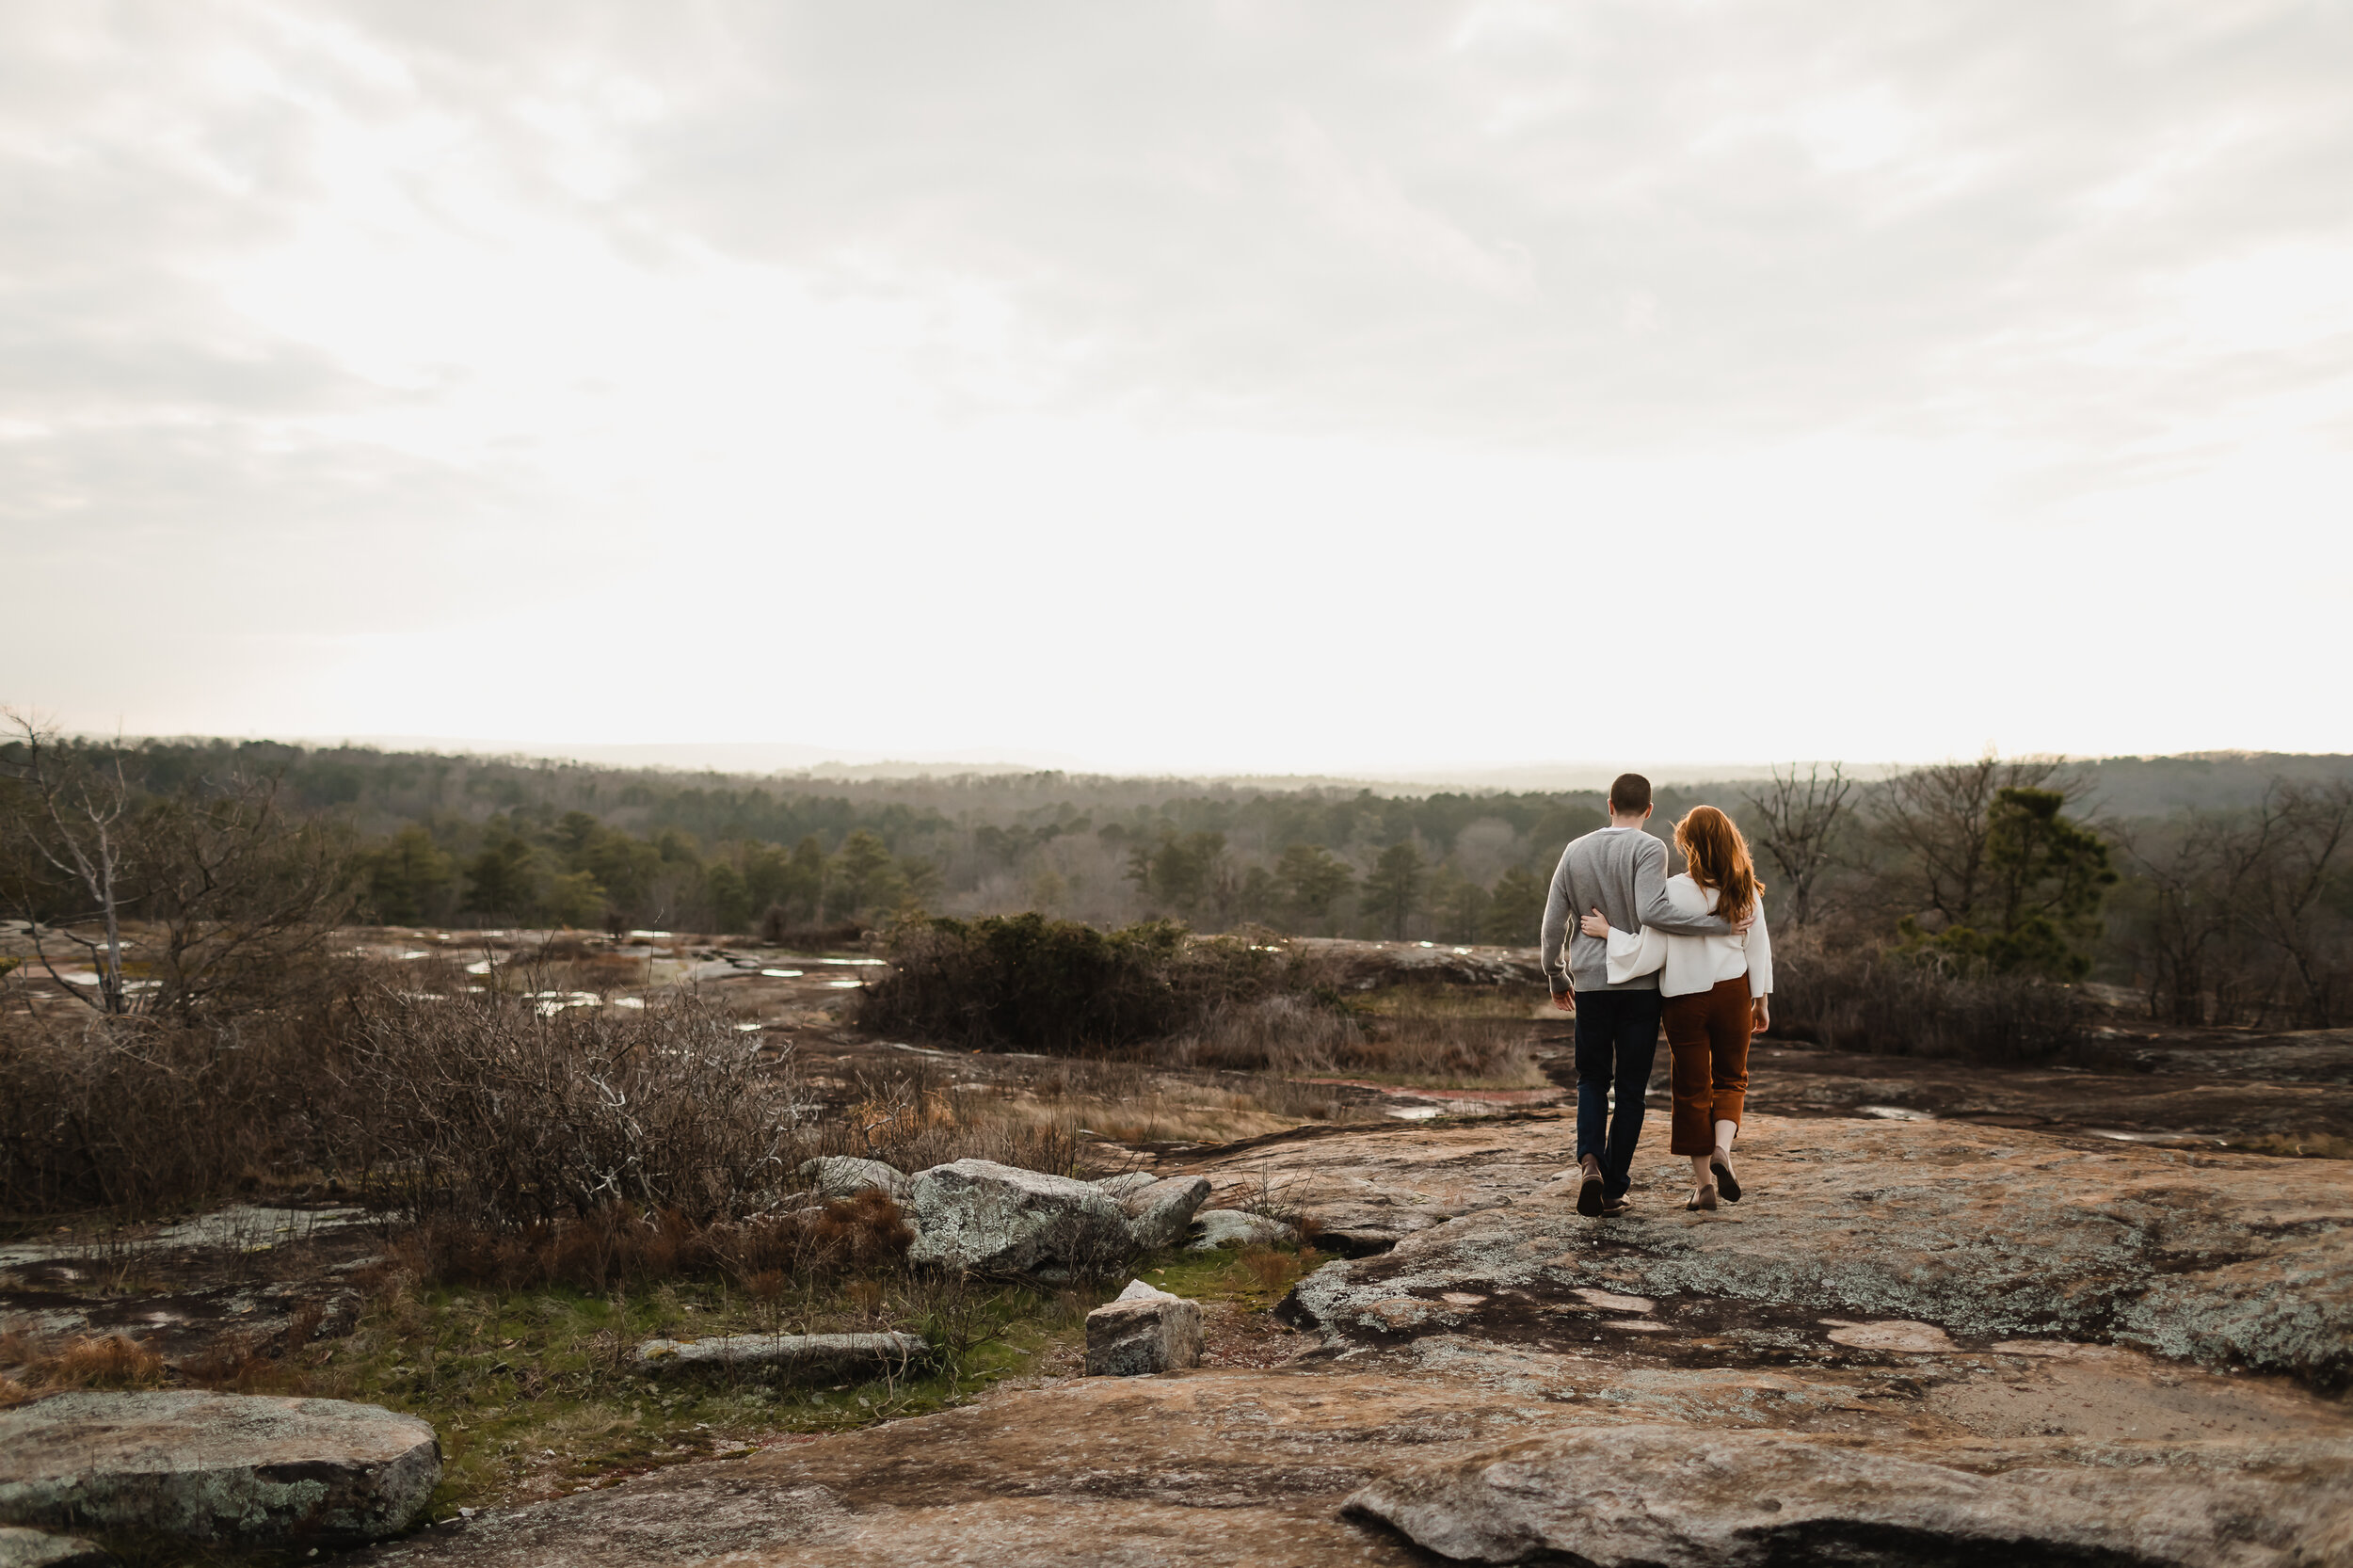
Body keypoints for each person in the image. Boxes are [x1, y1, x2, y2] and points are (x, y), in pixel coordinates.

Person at [1540, 774, 1741, 1218]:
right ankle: (1612, 1189)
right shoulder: (1650, 848)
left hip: (1591, 984)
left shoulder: (1575, 850)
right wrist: (1719, 925)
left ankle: (1590, 1160)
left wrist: (1556, 975)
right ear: (1649, 810)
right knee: (1630, 1090)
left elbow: (1554, 925)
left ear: (1609, 804)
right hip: (1639, 988)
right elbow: (1653, 911)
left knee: (1592, 1079)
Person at [1579, 804, 1772, 1212]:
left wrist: (1608, 932)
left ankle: (1704, 1187)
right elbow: (1758, 949)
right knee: (1731, 1078)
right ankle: (1723, 1149)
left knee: (1691, 1089)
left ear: (1688, 846)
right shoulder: (1746, 889)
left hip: (1684, 999)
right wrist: (1761, 1000)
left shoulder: (1672, 891)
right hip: (1733, 993)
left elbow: (1647, 952)